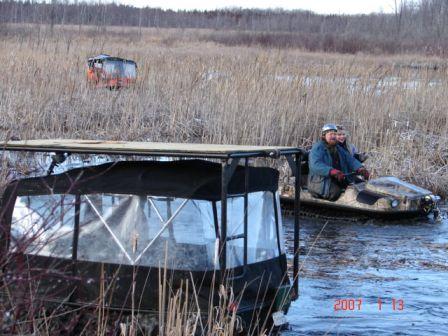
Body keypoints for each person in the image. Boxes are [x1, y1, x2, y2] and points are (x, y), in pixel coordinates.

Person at [308, 123, 370, 201]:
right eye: (331, 134)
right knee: (335, 193)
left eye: (334, 134)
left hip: (338, 176)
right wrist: (331, 171)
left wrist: (360, 168)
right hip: (322, 180)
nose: (333, 136)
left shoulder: (337, 147)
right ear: (324, 135)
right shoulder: (317, 148)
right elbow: (315, 165)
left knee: (362, 185)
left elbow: (349, 159)